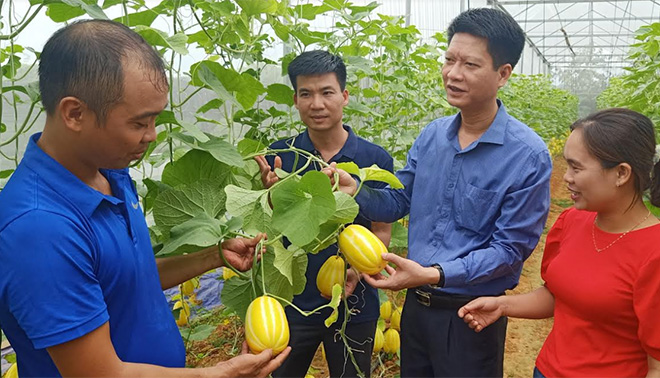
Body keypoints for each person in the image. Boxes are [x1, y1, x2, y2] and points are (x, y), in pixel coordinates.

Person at [0, 20, 289, 377]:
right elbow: (100, 374)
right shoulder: (39, 229)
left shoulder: (110, 171)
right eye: (139, 123)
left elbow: (127, 276)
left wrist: (213, 257)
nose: (151, 136)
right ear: (75, 113)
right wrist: (217, 374)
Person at [325, 8, 552, 378]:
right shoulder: (432, 135)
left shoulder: (527, 154)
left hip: (472, 313)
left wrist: (432, 273)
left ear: (503, 74)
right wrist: (357, 192)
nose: (453, 73)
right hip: (417, 308)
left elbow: (509, 252)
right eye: (449, 59)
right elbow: (399, 200)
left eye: (470, 65)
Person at [458, 108, 660, 378]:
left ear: (621, 174)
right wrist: (502, 306)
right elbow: (558, 296)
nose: (566, 177)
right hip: (546, 370)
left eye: (576, 167)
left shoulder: (654, 252)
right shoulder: (572, 221)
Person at [254, 50, 394, 378]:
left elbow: (382, 229)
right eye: (306, 94)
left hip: (355, 300)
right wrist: (271, 197)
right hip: (291, 298)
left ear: (344, 96)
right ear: (295, 99)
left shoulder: (374, 159)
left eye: (327, 92)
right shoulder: (280, 154)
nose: (317, 104)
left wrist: (358, 272)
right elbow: (273, 225)